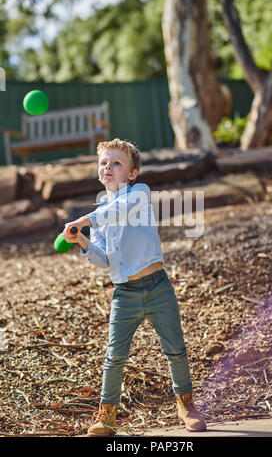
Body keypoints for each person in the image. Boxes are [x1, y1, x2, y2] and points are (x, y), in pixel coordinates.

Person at [62, 138, 206, 436]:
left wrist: (81, 221)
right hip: (124, 293)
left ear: (132, 173)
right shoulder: (100, 209)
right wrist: (84, 240)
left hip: (157, 287)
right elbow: (104, 260)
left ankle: (187, 405)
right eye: (104, 163)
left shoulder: (138, 193)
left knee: (175, 350)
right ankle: (107, 416)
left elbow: (117, 211)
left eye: (116, 163)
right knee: (114, 355)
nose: (108, 167)